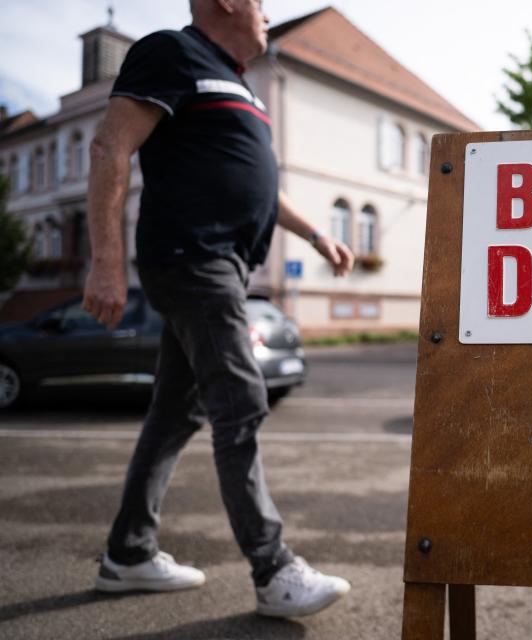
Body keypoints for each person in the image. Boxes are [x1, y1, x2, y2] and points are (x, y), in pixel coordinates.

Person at [82, 0, 355, 618]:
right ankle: (273, 568)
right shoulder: (170, 52)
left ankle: (127, 554)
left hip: (223, 263)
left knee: (175, 414)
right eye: (262, 3)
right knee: (241, 399)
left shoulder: (238, 85)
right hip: (192, 256)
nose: (267, 14)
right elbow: (109, 146)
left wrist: (317, 234)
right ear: (228, 2)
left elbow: (262, 182)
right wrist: (104, 261)